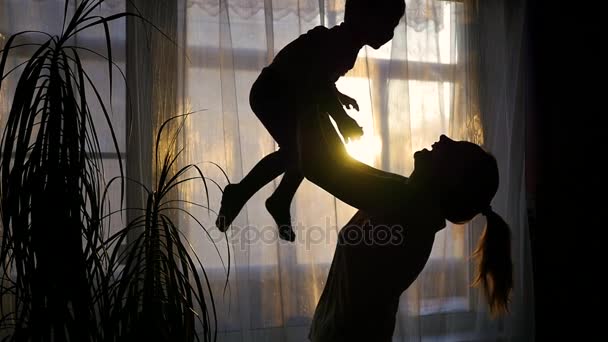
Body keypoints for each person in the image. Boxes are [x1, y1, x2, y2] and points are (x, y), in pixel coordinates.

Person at [215, 0, 406, 241]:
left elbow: (322, 80)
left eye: (393, 25)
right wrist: (342, 119)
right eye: (387, 24)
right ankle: (243, 192)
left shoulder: (346, 45)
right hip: (273, 93)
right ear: (362, 17)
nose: (389, 33)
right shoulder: (340, 43)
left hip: (294, 98)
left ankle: (279, 198)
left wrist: (339, 97)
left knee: (307, 153)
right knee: (300, 152)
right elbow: (318, 83)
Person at [307, 134, 514, 341]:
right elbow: (339, 162)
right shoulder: (404, 194)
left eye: (454, 148)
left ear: (450, 178)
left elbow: (318, 167)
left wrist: (311, 103)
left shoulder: (409, 210)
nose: (443, 138)